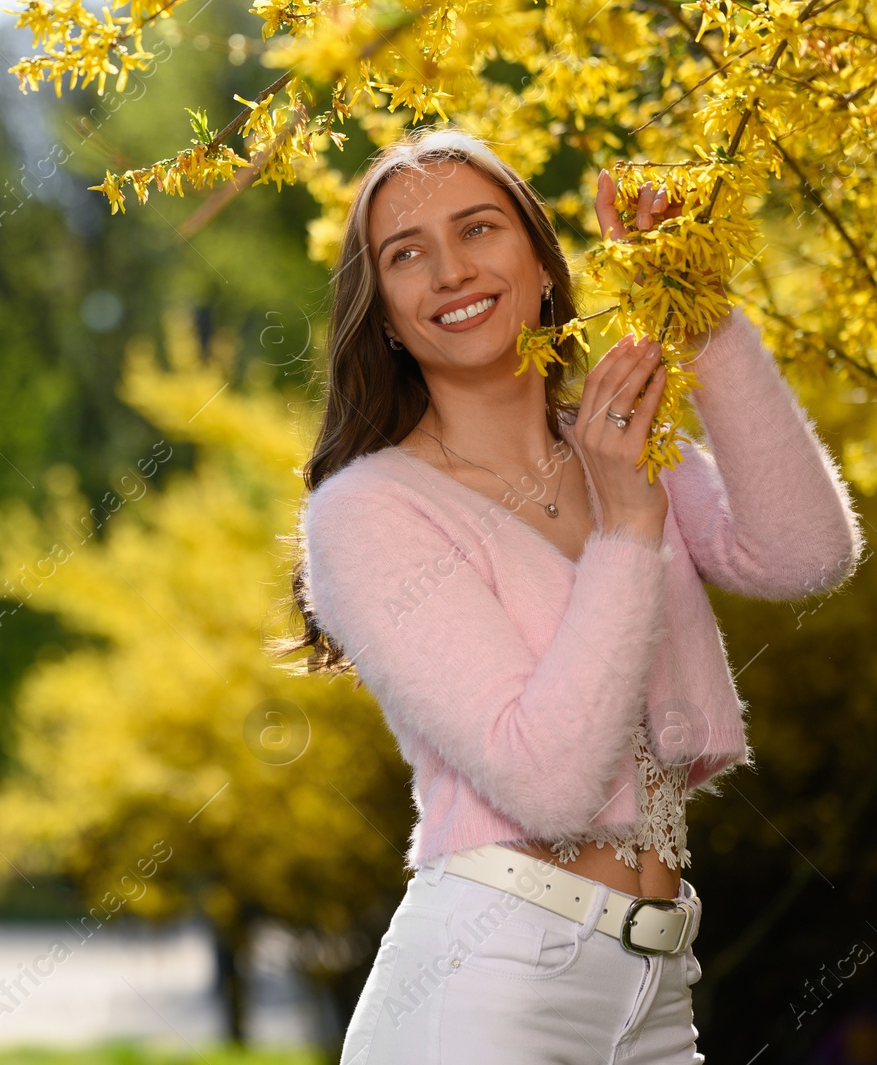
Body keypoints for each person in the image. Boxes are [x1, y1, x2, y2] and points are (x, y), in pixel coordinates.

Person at [287, 126, 865, 1062]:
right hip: (487, 983)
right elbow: (548, 781)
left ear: (542, 261)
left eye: (478, 229)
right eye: (406, 253)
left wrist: (702, 315)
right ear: (386, 315)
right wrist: (627, 525)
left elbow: (805, 553)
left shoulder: (611, 440)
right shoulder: (368, 513)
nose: (448, 270)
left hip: (659, 987)